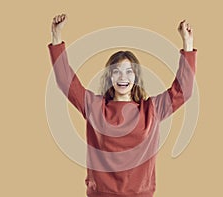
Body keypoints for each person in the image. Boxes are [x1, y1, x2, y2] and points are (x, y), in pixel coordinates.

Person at [48, 13, 197, 197]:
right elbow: (65, 81)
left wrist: (187, 44)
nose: (123, 77)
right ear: (110, 77)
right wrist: (56, 37)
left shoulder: (152, 109)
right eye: (116, 72)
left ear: (136, 77)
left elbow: (183, 90)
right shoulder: (95, 107)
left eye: (129, 71)